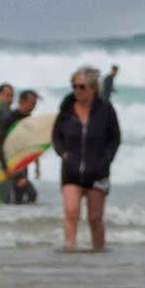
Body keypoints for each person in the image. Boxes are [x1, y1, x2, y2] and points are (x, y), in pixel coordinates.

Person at [54, 65, 120, 251]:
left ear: (92, 88)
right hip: (71, 170)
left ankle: (99, 251)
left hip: (98, 171)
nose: (77, 90)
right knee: (71, 212)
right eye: (74, 86)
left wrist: (106, 159)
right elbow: (56, 136)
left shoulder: (106, 110)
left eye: (81, 87)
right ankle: (69, 249)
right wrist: (62, 153)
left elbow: (115, 138)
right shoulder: (66, 110)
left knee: (95, 217)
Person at [0, 89, 39, 205]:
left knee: (20, 199)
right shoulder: (10, 119)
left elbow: (32, 143)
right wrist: (6, 169)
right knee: (30, 194)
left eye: (35, 104)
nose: (34, 107)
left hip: (21, 165)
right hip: (8, 165)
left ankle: (14, 220)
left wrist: (37, 164)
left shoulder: (29, 120)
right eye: (32, 103)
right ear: (22, 101)